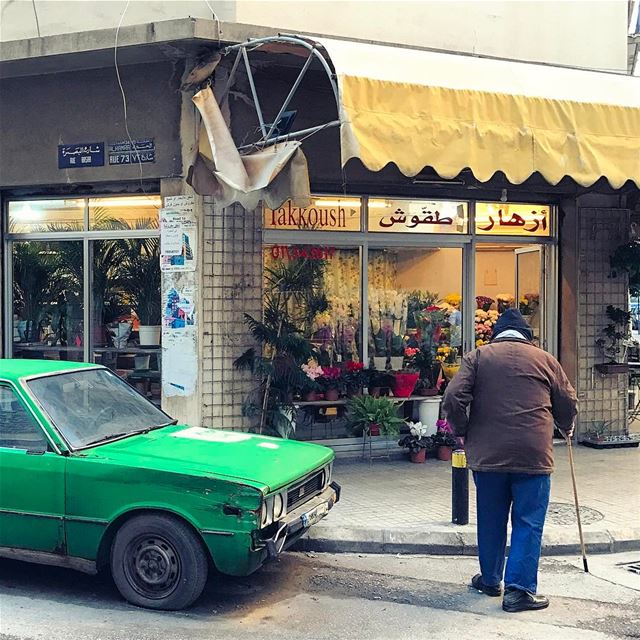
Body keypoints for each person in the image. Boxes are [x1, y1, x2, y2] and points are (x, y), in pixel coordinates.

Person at [442, 308, 577, 613]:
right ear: (528, 337)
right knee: (528, 521)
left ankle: (490, 580)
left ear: (496, 334)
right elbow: (567, 400)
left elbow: (453, 398)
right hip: (534, 454)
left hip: (489, 456)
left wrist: (461, 429)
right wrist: (565, 425)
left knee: (491, 518)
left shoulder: (477, 357)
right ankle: (518, 591)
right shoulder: (545, 360)